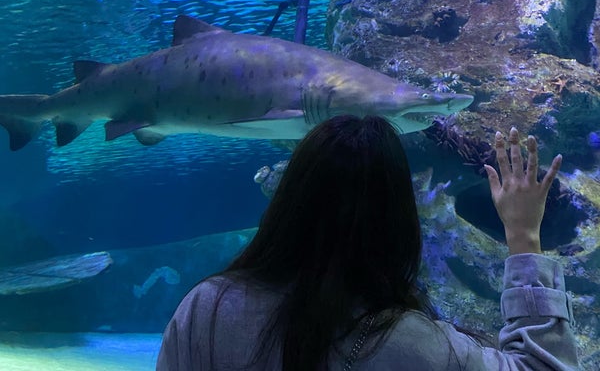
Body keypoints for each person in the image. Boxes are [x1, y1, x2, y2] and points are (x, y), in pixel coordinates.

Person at [156, 116, 579, 370]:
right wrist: (524, 236)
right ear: (398, 222)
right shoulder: (415, 345)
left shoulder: (206, 309)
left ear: (289, 201)